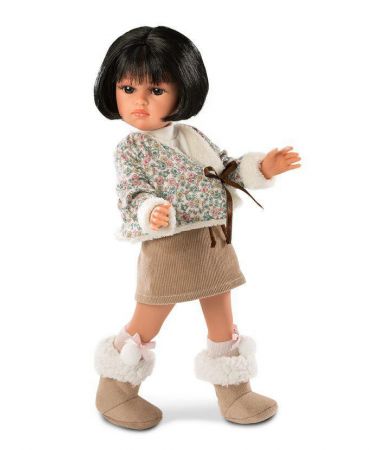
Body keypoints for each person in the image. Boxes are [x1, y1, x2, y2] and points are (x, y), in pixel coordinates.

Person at [93, 25, 302, 430]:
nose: (139, 101)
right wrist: (150, 210)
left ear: (182, 90)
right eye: (128, 88)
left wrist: (262, 167)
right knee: (148, 318)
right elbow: (131, 192)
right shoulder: (132, 149)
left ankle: (235, 390)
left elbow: (226, 170)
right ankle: (115, 389)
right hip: (168, 246)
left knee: (222, 316)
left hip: (214, 240)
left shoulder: (191, 136)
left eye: (156, 90)